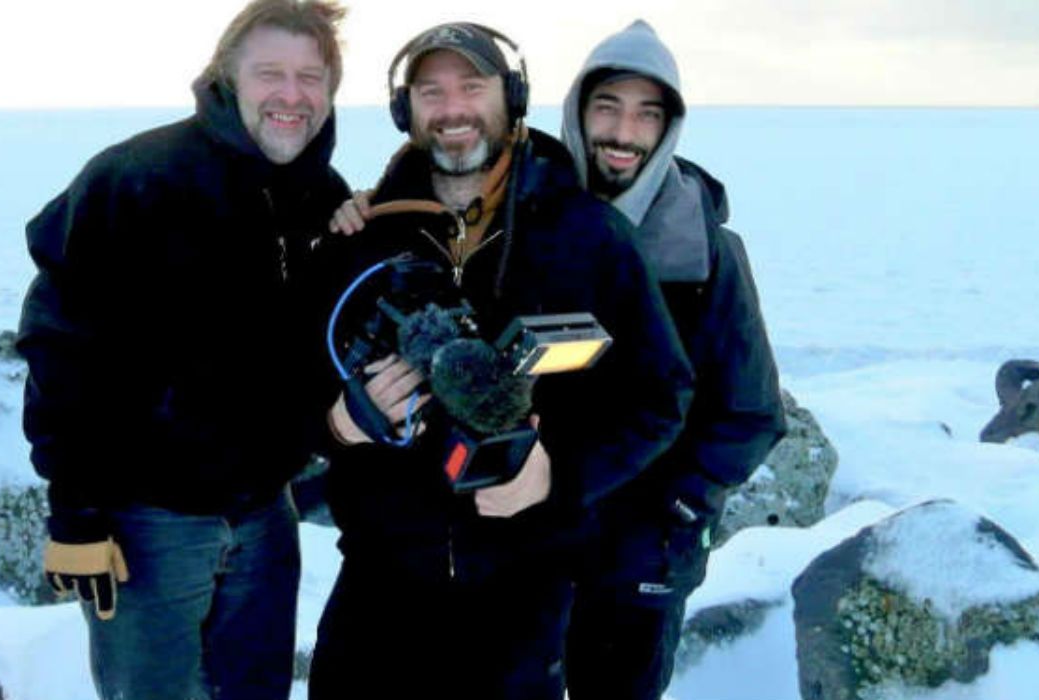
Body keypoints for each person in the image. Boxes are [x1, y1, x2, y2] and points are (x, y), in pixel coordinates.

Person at [309, 22, 693, 700]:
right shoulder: (360, 235)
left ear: (511, 96)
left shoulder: (590, 235)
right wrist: (339, 424)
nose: (453, 109)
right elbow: (287, 388)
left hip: (523, 595)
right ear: (407, 110)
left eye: (472, 86)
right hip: (377, 589)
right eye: (432, 91)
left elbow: (661, 395)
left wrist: (559, 476)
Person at [14, 2, 350, 698]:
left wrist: (357, 234)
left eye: (309, 77)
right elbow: (60, 348)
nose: (291, 95)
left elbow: (325, 345)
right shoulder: (136, 177)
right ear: (227, 78)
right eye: (270, 74)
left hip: (265, 516)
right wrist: (75, 512)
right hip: (149, 528)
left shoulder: (320, 197)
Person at [558, 20, 788, 700]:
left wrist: (678, 510)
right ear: (578, 111)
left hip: (645, 551)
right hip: (537, 540)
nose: (624, 133)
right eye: (608, 108)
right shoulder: (536, 219)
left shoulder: (707, 252)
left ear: (668, 128)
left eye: (646, 114)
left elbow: (751, 412)